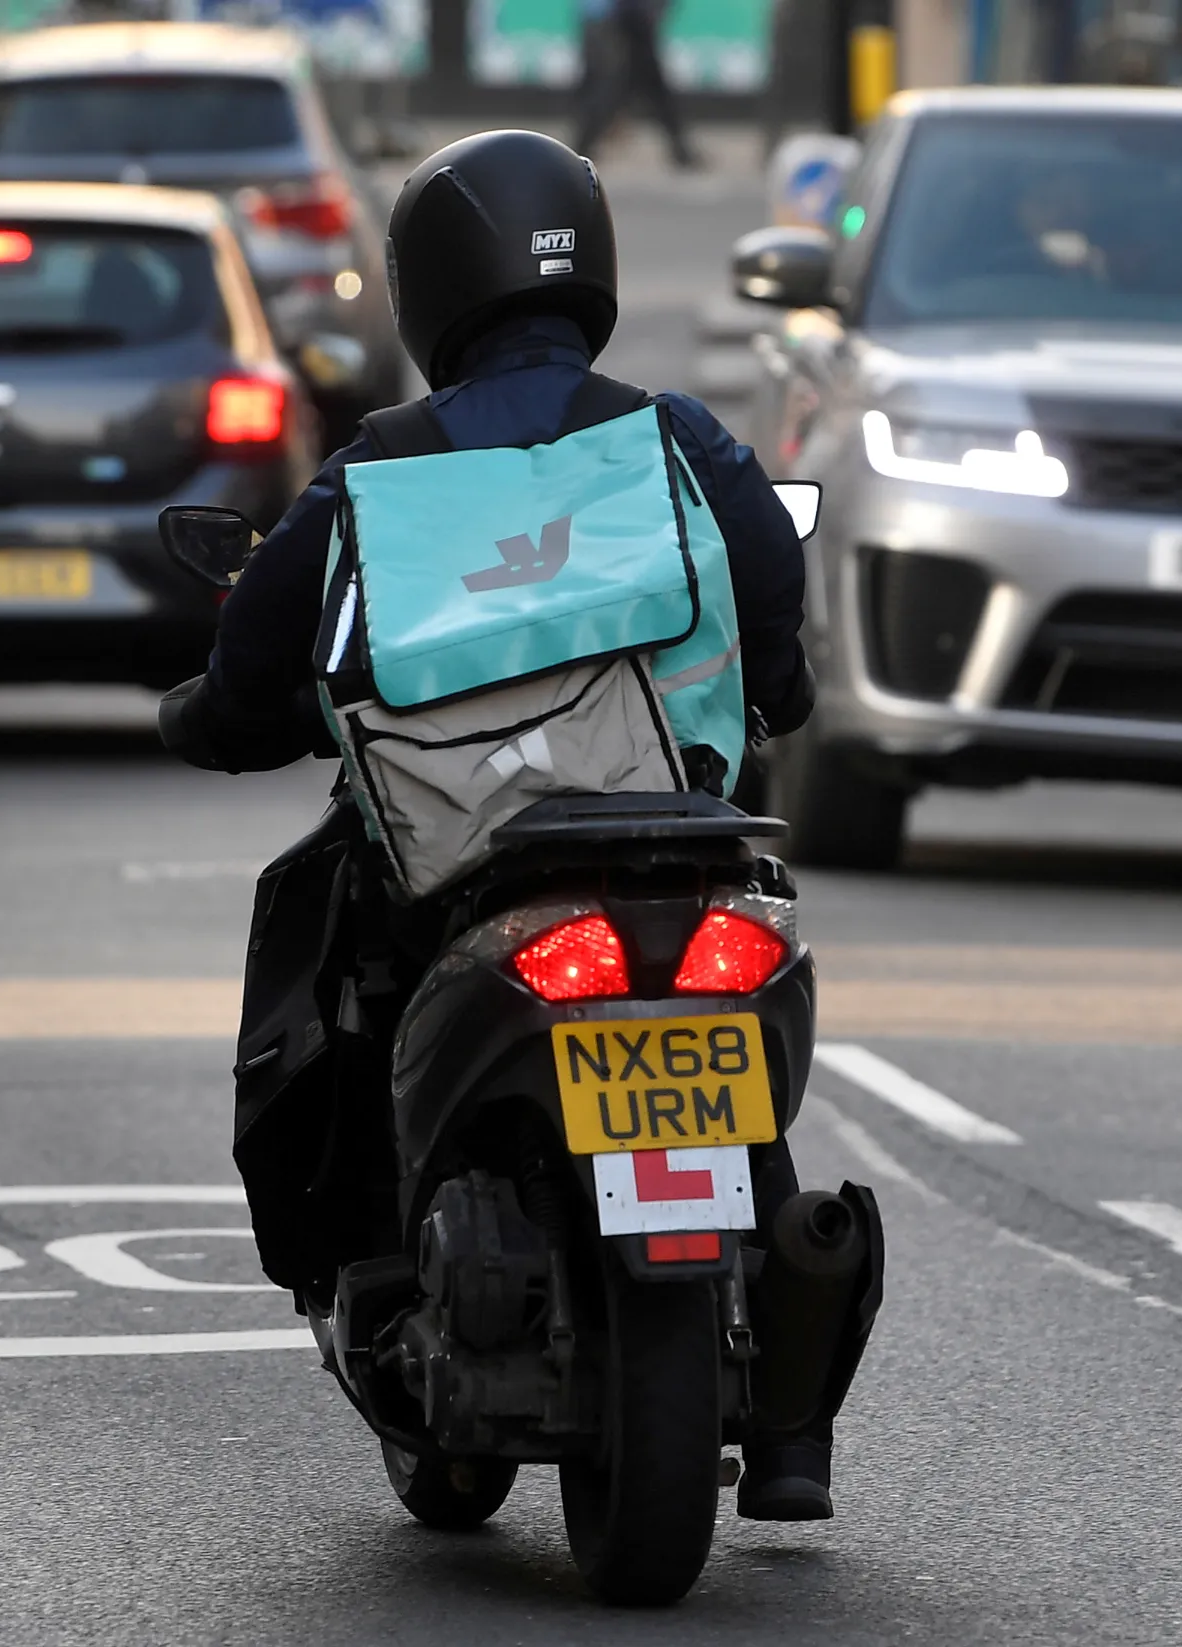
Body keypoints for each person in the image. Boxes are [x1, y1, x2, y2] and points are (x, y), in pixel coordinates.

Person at [159, 130, 836, 1518]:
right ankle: (788, 1430)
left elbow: (254, 672)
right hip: (682, 842)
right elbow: (772, 587)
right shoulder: (676, 436)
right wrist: (777, 687)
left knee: (346, 1001)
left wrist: (211, 718)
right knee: (769, 1127)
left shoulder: (375, 474)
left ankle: (386, 1263)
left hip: (470, 876)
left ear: (425, 288)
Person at [574, 0, 698, 172]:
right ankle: (581, 148)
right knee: (620, 86)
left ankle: (680, 149)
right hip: (619, 17)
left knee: (642, 85)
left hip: (619, 16)